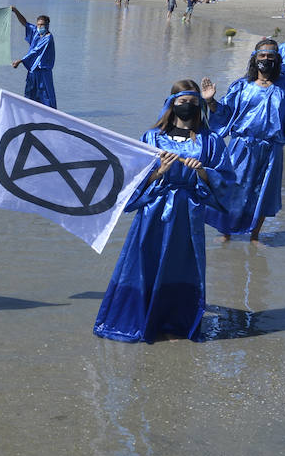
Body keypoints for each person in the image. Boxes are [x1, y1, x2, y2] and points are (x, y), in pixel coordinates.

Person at [94, 81, 240, 344]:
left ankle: (175, 323)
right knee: (145, 262)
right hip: (154, 210)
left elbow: (229, 184)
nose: (188, 107)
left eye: (193, 103)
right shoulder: (152, 138)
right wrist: (158, 172)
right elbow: (130, 181)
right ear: (171, 103)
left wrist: (203, 172)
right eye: (183, 101)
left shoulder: (210, 141)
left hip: (187, 214)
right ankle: (138, 317)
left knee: (181, 267)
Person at [202, 39, 285, 241]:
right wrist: (210, 100)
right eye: (262, 55)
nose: (266, 59)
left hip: (272, 148)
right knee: (232, 189)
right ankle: (226, 233)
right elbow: (225, 113)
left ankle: (254, 236)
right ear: (255, 58)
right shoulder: (242, 86)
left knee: (264, 192)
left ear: (277, 59)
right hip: (241, 146)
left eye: (271, 56)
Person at [12, 8, 57, 109]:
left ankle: (50, 118)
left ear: (47, 25)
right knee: (30, 94)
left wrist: (20, 61)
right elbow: (25, 23)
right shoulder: (36, 33)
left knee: (45, 96)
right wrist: (15, 11)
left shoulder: (48, 37)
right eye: (38, 25)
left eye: (42, 25)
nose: (40, 27)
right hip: (33, 70)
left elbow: (35, 51)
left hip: (44, 72)